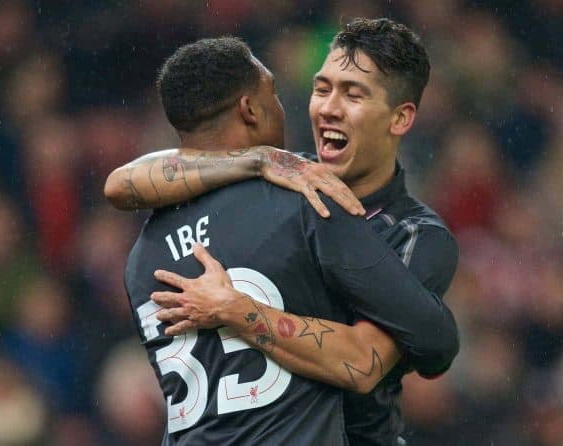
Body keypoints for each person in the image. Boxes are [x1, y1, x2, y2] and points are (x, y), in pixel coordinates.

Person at [110, 20, 458, 446]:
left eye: (353, 94)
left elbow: (370, 361)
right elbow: (119, 183)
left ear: (401, 117)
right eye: (322, 88)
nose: (328, 107)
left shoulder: (416, 234)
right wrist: (255, 160)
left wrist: (236, 309)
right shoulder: (282, 187)